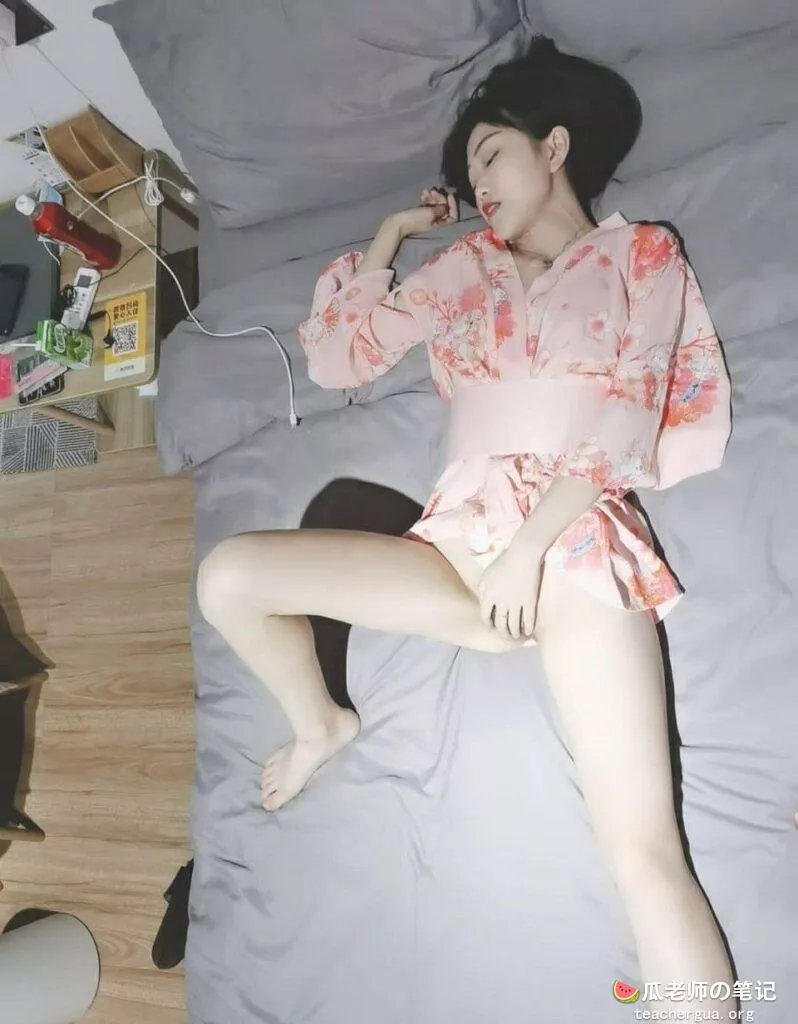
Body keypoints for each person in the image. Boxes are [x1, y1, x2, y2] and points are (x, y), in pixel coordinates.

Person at [196, 36, 736, 1019]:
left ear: (554, 146)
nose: (478, 183)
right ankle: (323, 724)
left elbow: (630, 411)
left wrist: (529, 549)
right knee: (227, 577)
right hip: (457, 548)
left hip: (570, 545)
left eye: (491, 154)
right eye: (470, 170)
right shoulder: (465, 270)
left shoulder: (640, 254)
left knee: (643, 851)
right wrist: (392, 235)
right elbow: (338, 359)